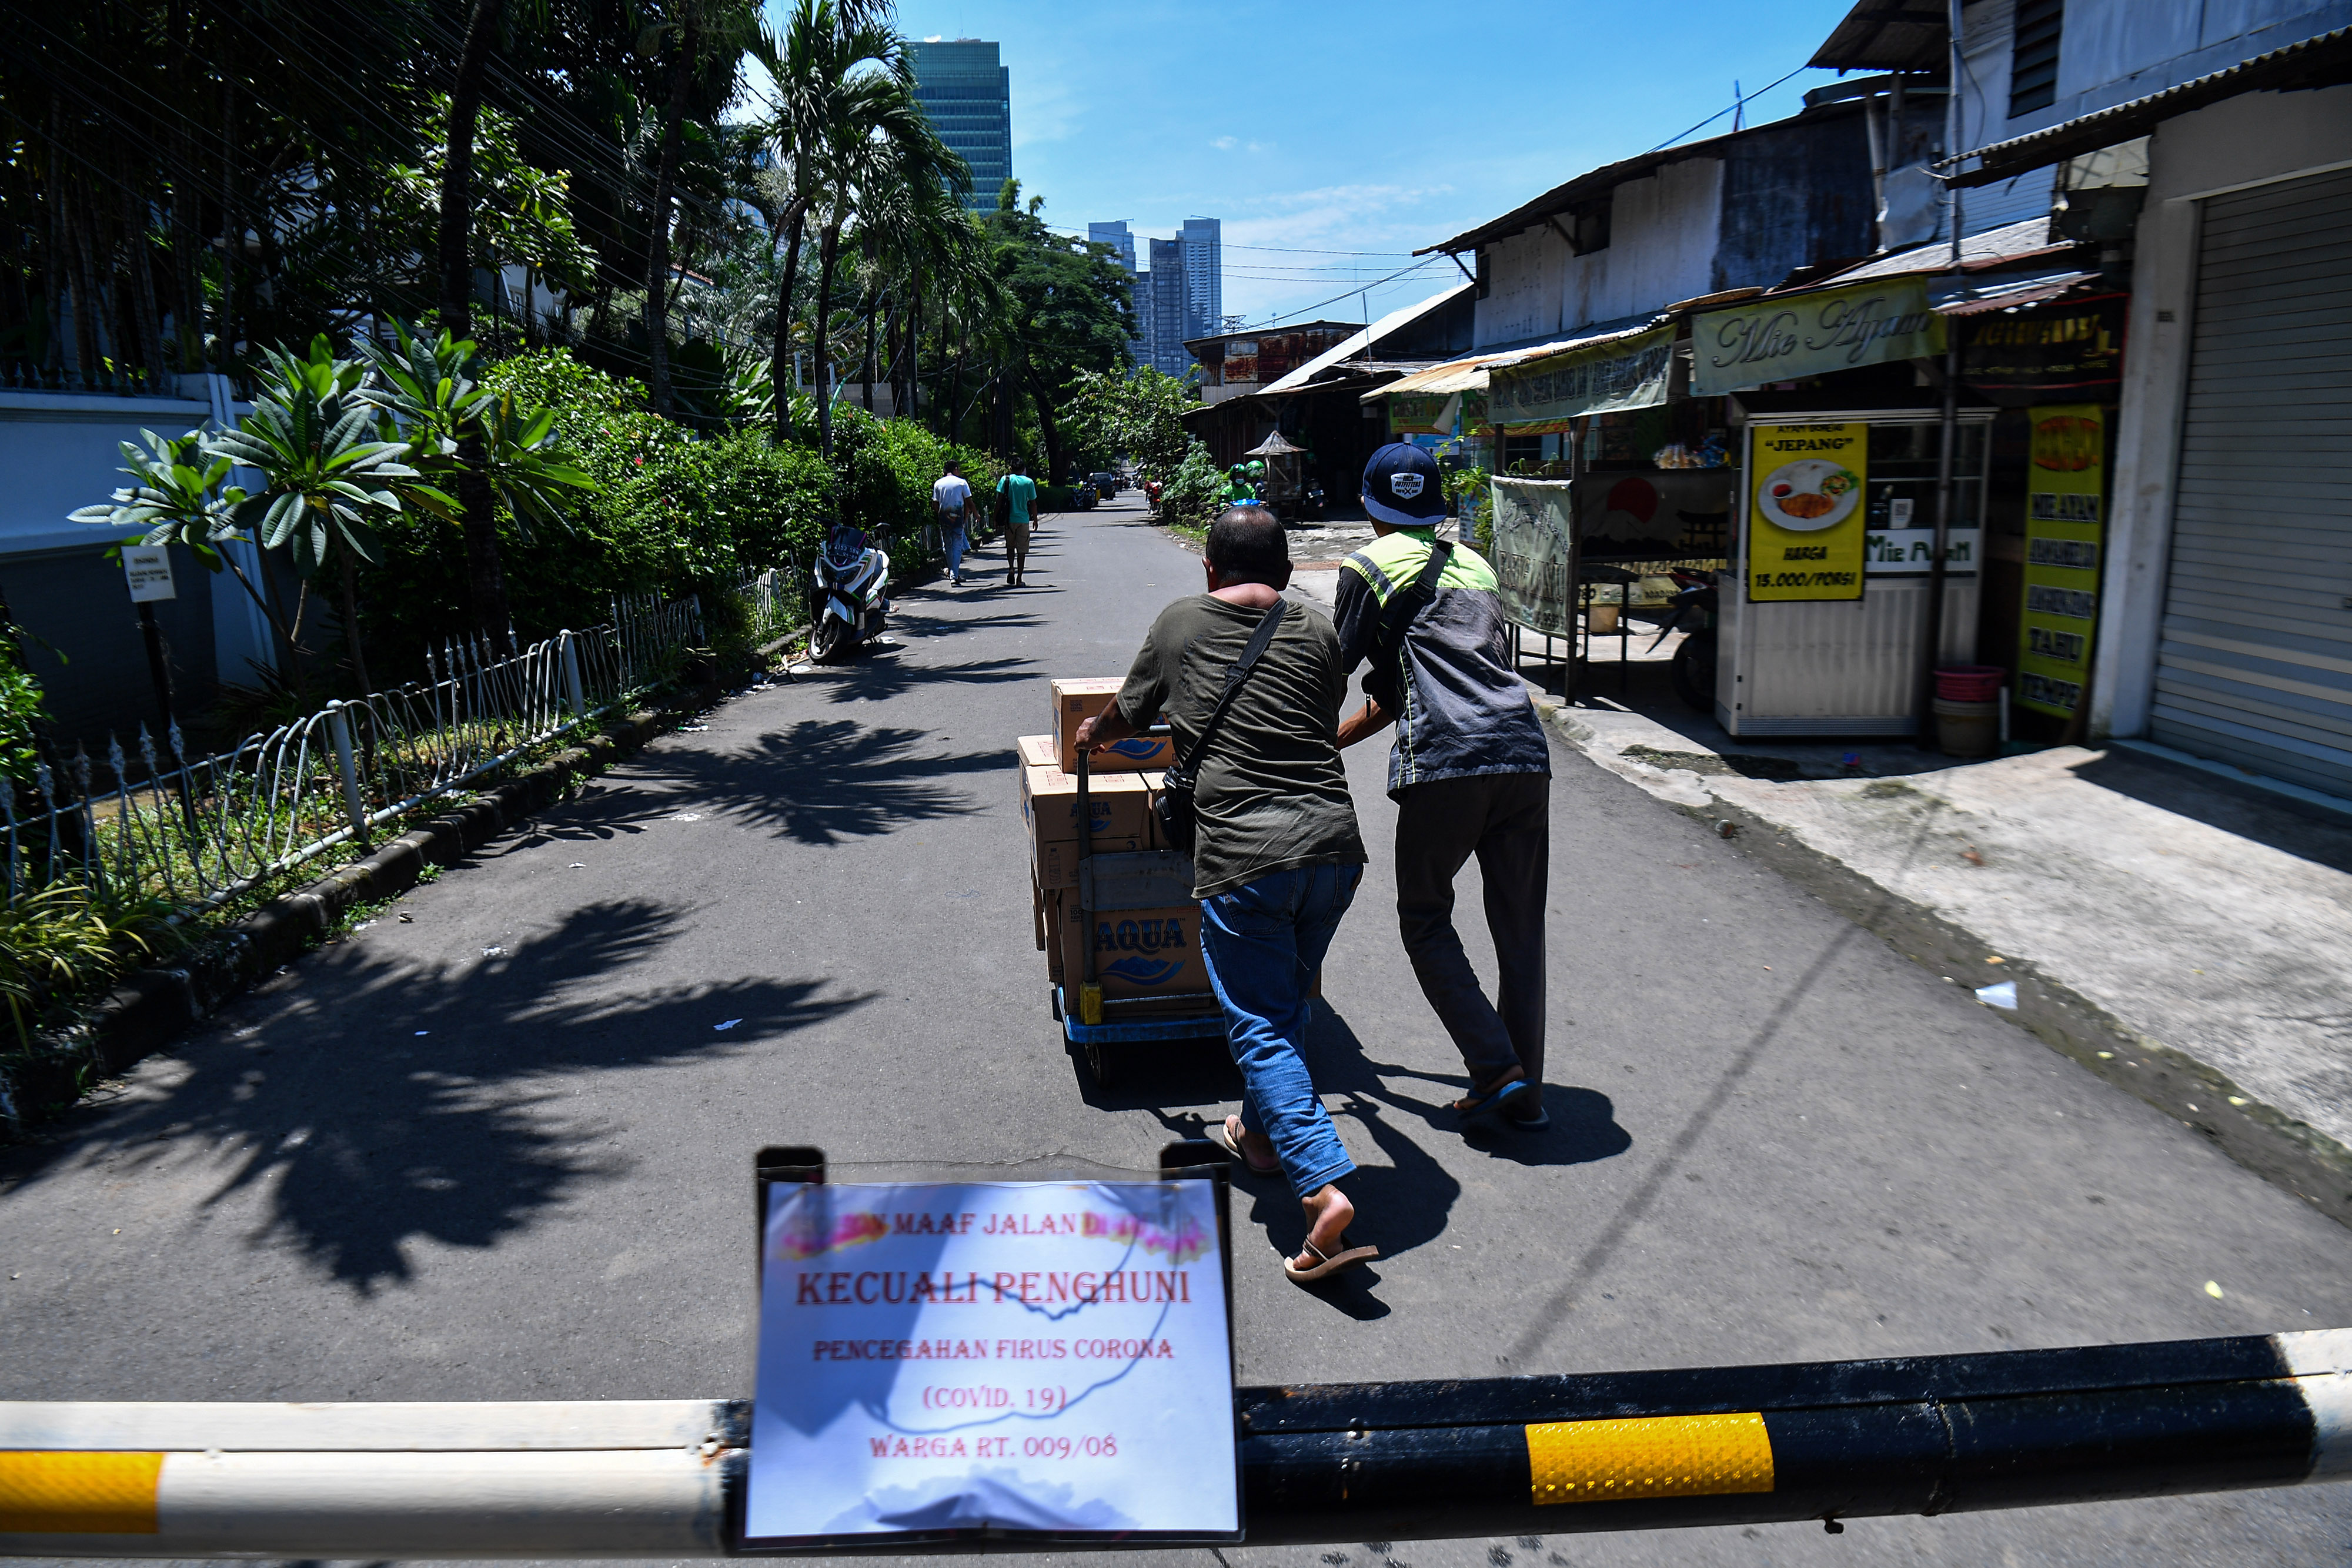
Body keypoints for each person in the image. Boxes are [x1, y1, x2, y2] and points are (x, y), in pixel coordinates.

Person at [1074, 506, 1375, 1283]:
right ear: (1283, 571)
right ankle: (1267, 1140)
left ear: (1210, 570)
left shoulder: (1180, 621)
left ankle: (1322, 1191)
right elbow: (1312, 714)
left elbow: (1128, 712)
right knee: (1282, 1004)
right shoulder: (1316, 632)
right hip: (1336, 850)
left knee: (1261, 1024)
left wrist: (1090, 737)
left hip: (1247, 856)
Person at [1334, 442, 1554, 1133]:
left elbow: (1324, 672)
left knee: (1425, 919)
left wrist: (1294, 744)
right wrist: (1335, 742)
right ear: (1434, 506)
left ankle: (1495, 1067)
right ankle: (1526, 1095)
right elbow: (1464, 676)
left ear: (1370, 507)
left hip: (1447, 765)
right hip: (1522, 756)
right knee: (1519, 932)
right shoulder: (1478, 567)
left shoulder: (1366, 567)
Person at [995, 460, 1038, 587]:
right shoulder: (1029, 482)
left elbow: (999, 500)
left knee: (1010, 546)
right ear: (1023, 469)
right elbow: (1033, 503)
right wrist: (1035, 519)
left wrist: (995, 517)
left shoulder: (1006, 480)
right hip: (1023, 520)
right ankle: (1019, 578)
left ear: (1011, 468)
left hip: (1009, 520)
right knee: (1022, 550)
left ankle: (1011, 568)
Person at [931, 461, 975, 585]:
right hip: (957, 520)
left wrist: (940, 514)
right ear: (955, 469)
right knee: (957, 547)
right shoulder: (962, 482)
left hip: (944, 519)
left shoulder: (938, 484)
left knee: (947, 546)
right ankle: (954, 575)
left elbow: (935, 503)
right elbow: (969, 502)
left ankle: (953, 573)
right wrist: (975, 514)